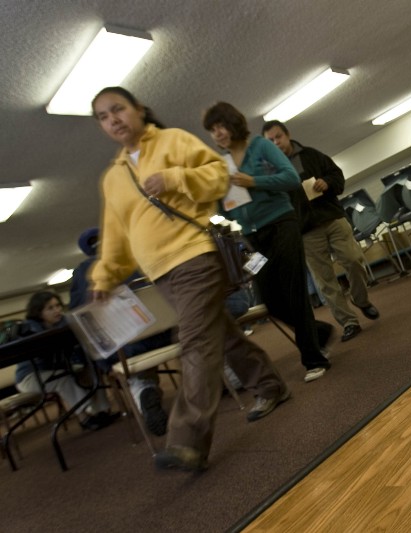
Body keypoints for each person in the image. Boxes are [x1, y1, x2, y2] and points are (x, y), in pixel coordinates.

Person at [90, 87, 290, 472]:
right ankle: (271, 386)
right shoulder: (112, 179)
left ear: (139, 110)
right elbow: (116, 234)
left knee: (195, 341)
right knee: (221, 334)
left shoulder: (172, 141)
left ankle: (187, 440)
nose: (112, 119)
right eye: (103, 116)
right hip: (161, 273)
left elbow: (219, 177)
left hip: (195, 255)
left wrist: (176, 178)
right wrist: (105, 276)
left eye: (118, 109)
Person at [202, 102, 333, 383]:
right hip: (253, 235)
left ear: (233, 124)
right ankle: (318, 332)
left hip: (281, 223)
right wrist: (216, 202)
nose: (217, 134)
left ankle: (313, 358)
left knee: (295, 291)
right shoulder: (221, 164)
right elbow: (229, 208)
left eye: (220, 127)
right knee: (270, 301)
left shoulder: (261, 146)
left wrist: (253, 181)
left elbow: (289, 178)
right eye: (212, 131)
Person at [262, 120, 379, 342]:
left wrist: (327, 182)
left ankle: (361, 300)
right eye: (270, 141)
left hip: (331, 217)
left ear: (287, 135)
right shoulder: (271, 173)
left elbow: (337, 176)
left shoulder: (311, 155)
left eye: (278, 137)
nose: (276, 143)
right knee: (324, 280)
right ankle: (349, 322)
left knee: (354, 260)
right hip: (305, 232)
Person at [69, 227, 170, 436]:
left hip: (121, 348)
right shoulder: (133, 257)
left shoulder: (81, 274)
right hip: (162, 335)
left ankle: (142, 389)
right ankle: (227, 378)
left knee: (127, 360)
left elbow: (79, 316)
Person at [15, 291, 119, 431]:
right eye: (50, 308)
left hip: (58, 369)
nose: (57, 310)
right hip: (29, 377)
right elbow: (43, 358)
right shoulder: (30, 329)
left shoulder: (63, 322)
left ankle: (102, 411)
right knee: (63, 379)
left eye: (58, 306)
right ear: (38, 312)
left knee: (91, 369)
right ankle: (84, 418)